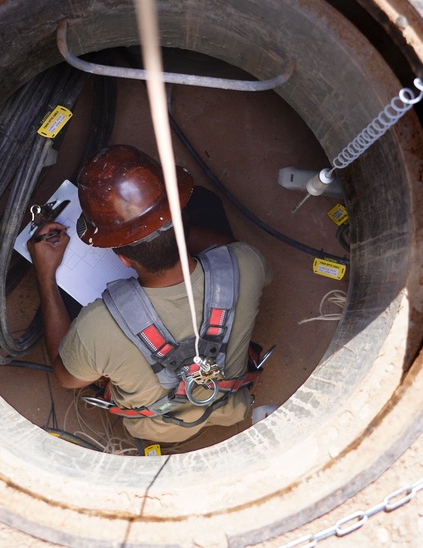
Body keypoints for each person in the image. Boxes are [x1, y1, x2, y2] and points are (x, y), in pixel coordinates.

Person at [27, 144, 272, 443]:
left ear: (123, 259)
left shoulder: (96, 327)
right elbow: (226, 251)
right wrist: (164, 227)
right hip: (231, 405)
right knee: (206, 202)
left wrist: (45, 275)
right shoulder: (248, 263)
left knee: (64, 299)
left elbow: (66, 377)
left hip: (158, 427)